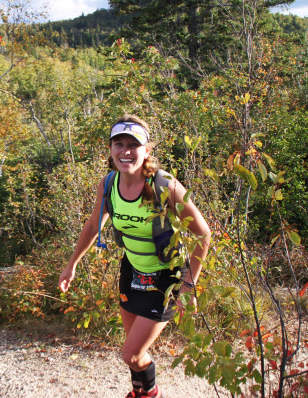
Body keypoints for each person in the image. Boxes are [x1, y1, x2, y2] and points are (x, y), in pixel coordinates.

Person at [58, 114, 211, 398]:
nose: (125, 151)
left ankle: (151, 394)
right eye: (119, 144)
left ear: (147, 150)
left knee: (131, 353)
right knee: (131, 347)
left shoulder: (165, 185)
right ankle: (137, 392)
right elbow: (94, 226)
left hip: (166, 278)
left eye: (133, 144)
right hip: (132, 271)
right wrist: (71, 266)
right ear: (110, 148)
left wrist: (189, 287)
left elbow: (204, 234)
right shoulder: (108, 184)